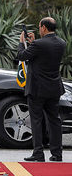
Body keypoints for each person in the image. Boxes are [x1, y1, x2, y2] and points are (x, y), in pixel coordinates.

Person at [17, 17, 66, 162]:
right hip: (54, 88)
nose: (39, 29)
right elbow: (44, 53)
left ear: (44, 27)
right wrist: (33, 43)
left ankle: (38, 153)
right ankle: (57, 154)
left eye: (39, 27)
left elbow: (21, 56)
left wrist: (22, 42)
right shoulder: (61, 43)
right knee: (54, 121)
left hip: (37, 89)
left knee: (36, 121)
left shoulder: (39, 44)